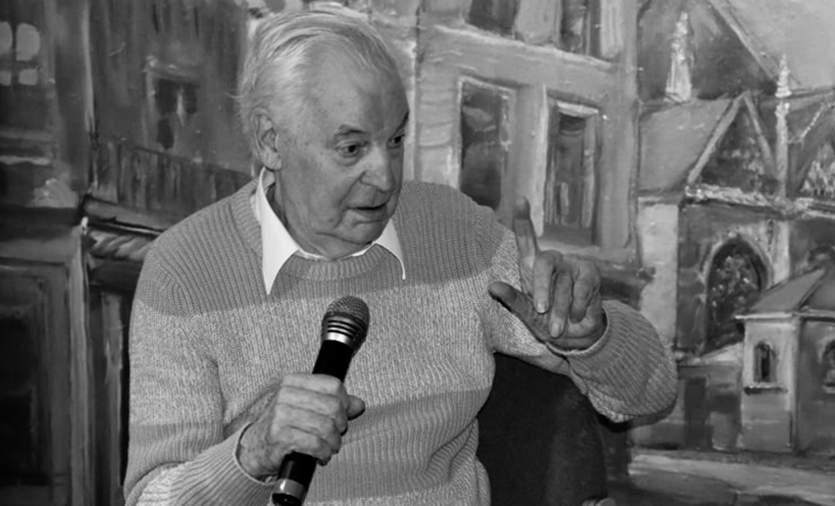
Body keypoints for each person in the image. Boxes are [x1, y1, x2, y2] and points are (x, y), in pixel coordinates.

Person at [124, 7, 677, 506]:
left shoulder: (456, 233)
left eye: (395, 140)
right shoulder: (185, 271)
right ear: (272, 142)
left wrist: (593, 338)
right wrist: (252, 453)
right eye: (351, 148)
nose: (386, 177)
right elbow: (153, 499)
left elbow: (649, 395)